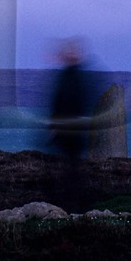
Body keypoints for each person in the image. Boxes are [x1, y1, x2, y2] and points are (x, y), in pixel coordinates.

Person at [46, 37, 97, 212]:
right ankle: (70, 204)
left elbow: (67, 102)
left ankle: (71, 206)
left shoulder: (72, 76)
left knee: (71, 170)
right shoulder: (70, 75)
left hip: (71, 132)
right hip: (69, 131)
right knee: (69, 169)